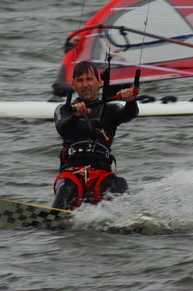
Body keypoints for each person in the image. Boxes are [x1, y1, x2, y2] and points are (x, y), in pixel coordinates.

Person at [52, 60, 139, 210]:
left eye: (89, 79)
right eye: (80, 80)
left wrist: (131, 101)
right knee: (66, 187)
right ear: (73, 85)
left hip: (101, 175)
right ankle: (52, 220)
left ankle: (130, 219)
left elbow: (129, 114)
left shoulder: (111, 110)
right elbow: (62, 128)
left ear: (99, 82)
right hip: (72, 173)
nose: (85, 84)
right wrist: (76, 115)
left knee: (119, 184)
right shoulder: (65, 110)